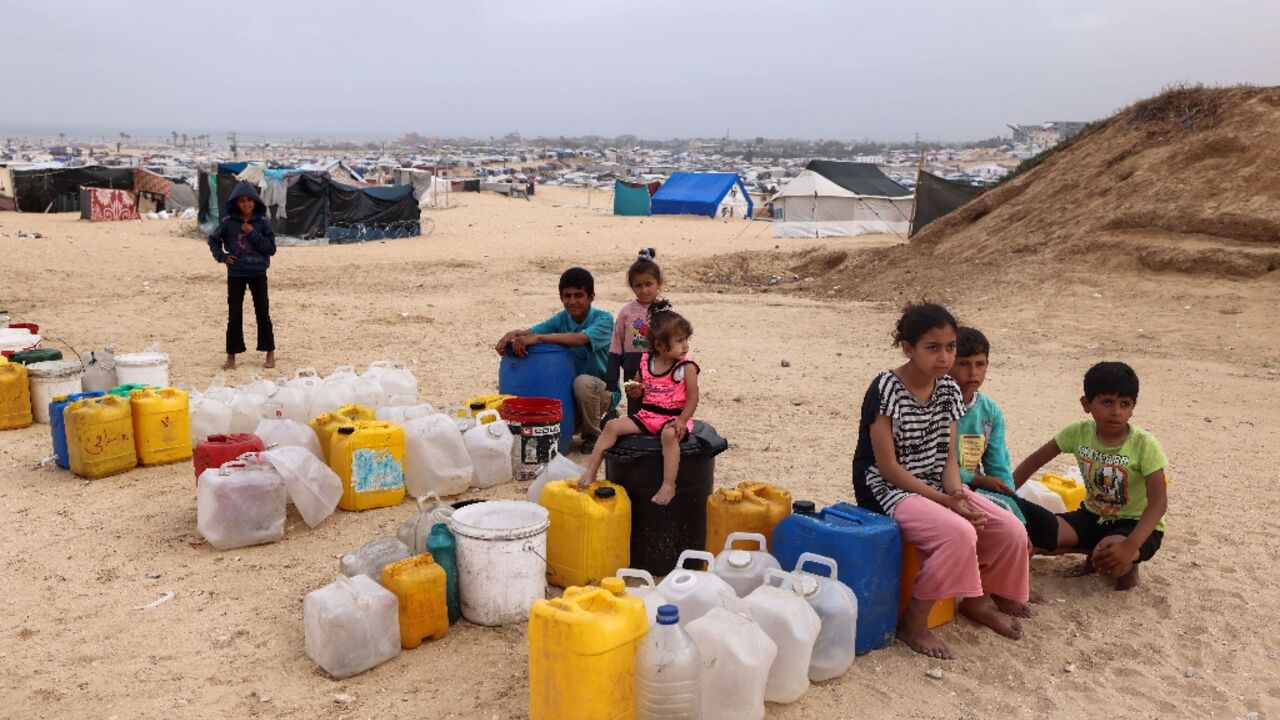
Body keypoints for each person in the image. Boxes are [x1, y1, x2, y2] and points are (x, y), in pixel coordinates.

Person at [851, 303, 1029, 660]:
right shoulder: (886, 389)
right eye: (932, 348)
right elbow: (888, 468)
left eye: (950, 347)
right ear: (908, 348)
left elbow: (947, 458)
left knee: (1009, 529)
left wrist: (956, 494)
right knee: (958, 533)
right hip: (886, 489)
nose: (944, 357)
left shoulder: (948, 389)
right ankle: (914, 623)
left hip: (935, 484)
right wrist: (945, 502)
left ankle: (977, 602)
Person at [1012, 361, 1168, 591]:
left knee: (1111, 558)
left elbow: (1158, 503)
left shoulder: (1145, 444)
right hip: (1091, 515)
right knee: (1036, 534)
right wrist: (1006, 495)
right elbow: (1032, 463)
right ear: (1086, 404)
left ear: (1133, 407)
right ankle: (1091, 550)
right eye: (1107, 402)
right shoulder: (1077, 433)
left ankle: (1128, 566)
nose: (1116, 412)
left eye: (1125, 404)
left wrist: (1130, 546)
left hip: (1134, 524)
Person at [950, 326, 1060, 559]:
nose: (973, 373)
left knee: (1046, 525)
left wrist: (1010, 496)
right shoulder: (937, 406)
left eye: (980, 364)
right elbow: (934, 462)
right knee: (1004, 522)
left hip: (980, 486)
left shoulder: (990, 412)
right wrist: (974, 479)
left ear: (987, 365)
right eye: (963, 364)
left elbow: (998, 465)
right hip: (948, 486)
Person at [579, 300, 699, 505]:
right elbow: (638, 387)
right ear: (660, 345)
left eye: (686, 339)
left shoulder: (686, 367)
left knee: (668, 435)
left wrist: (681, 420)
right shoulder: (646, 362)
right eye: (679, 341)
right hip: (648, 415)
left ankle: (668, 485)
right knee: (611, 426)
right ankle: (590, 471)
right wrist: (634, 390)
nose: (685, 345)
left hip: (673, 417)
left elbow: (693, 397)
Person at [494, 267, 614, 452]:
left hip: (601, 391)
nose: (572, 301)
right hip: (572, 395)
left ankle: (593, 435)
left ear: (591, 297)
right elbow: (531, 332)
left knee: (582, 382)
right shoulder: (562, 318)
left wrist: (539, 338)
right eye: (567, 296)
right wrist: (513, 334)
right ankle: (589, 423)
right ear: (561, 298)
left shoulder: (604, 320)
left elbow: (579, 339)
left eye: (578, 295)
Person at [208, 181, 276, 370]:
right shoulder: (228, 222)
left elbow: (271, 249)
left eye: (250, 200)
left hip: (258, 273)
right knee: (234, 314)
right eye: (242, 201)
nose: (246, 204)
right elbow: (213, 240)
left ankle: (270, 352)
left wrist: (252, 232)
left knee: (262, 313)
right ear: (236, 203)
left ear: (255, 201)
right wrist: (222, 257)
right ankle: (231, 357)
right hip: (236, 274)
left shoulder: (263, 222)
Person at [606, 248, 662, 416]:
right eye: (638, 285)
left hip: (659, 370)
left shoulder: (665, 311)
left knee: (658, 409)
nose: (644, 290)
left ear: (658, 283)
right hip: (631, 369)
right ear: (632, 287)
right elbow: (616, 344)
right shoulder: (626, 312)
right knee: (635, 412)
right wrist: (611, 379)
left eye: (648, 284)